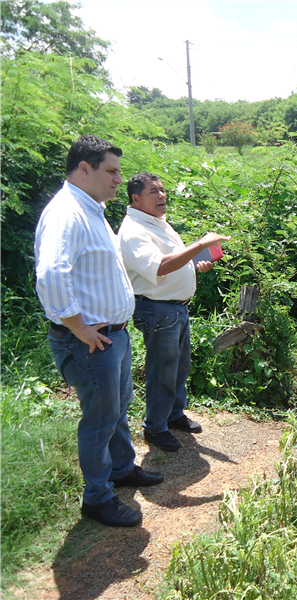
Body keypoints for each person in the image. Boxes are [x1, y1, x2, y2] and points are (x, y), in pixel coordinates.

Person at [35, 136, 163, 528]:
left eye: (119, 171)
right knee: (100, 418)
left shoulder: (92, 210)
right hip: (92, 340)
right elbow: (52, 274)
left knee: (117, 406)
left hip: (112, 335)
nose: (117, 179)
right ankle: (97, 498)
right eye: (111, 171)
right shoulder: (66, 213)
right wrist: (77, 326)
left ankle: (122, 468)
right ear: (84, 168)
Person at [118, 172, 230, 452]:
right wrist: (200, 245)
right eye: (154, 191)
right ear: (136, 198)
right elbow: (157, 267)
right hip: (157, 310)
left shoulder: (157, 223)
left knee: (179, 367)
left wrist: (196, 263)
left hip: (174, 308)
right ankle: (155, 428)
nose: (162, 195)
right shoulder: (134, 231)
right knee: (162, 370)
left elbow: (173, 262)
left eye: (162, 190)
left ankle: (174, 414)